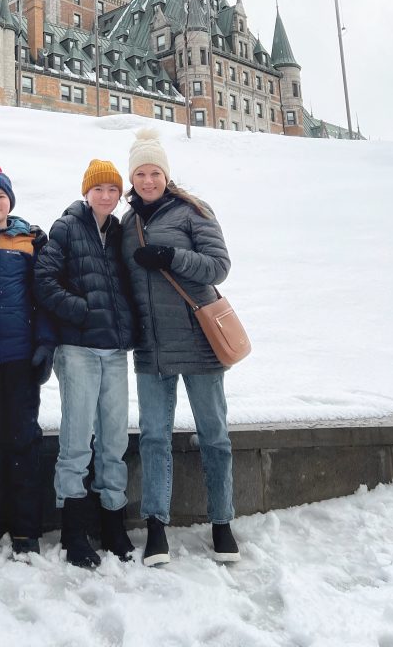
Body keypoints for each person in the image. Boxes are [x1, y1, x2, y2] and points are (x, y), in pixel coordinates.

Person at [120, 127, 240, 566]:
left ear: (165, 175)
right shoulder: (127, 225)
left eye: (155, 173)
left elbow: (219, 266)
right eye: (140, 174)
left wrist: (172, 258)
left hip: (199, 340)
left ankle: (222, 522)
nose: (148, 181)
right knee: (154, 437)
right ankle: (156, 526)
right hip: (152, 347)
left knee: (215, 435)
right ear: (131, 178)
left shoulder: (193, 211)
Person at [34, 159, 137, 568]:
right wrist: (80, 310)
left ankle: (113, 522)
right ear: (86, 191)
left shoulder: (121, 232)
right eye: (99, 189)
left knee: (114, 440)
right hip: (76, 349)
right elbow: (43, 280)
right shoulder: (67, 226)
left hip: (114, 351)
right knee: (76, 441)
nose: (107, 195)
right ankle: (74, 529)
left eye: (113, 189)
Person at [0, 163, 54, 557]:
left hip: (21, 356)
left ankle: (25, 528)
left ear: (10, 200)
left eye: (1, 196)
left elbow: (46, 297)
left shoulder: (31, 238)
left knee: (23, 438)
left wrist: (45, 344)